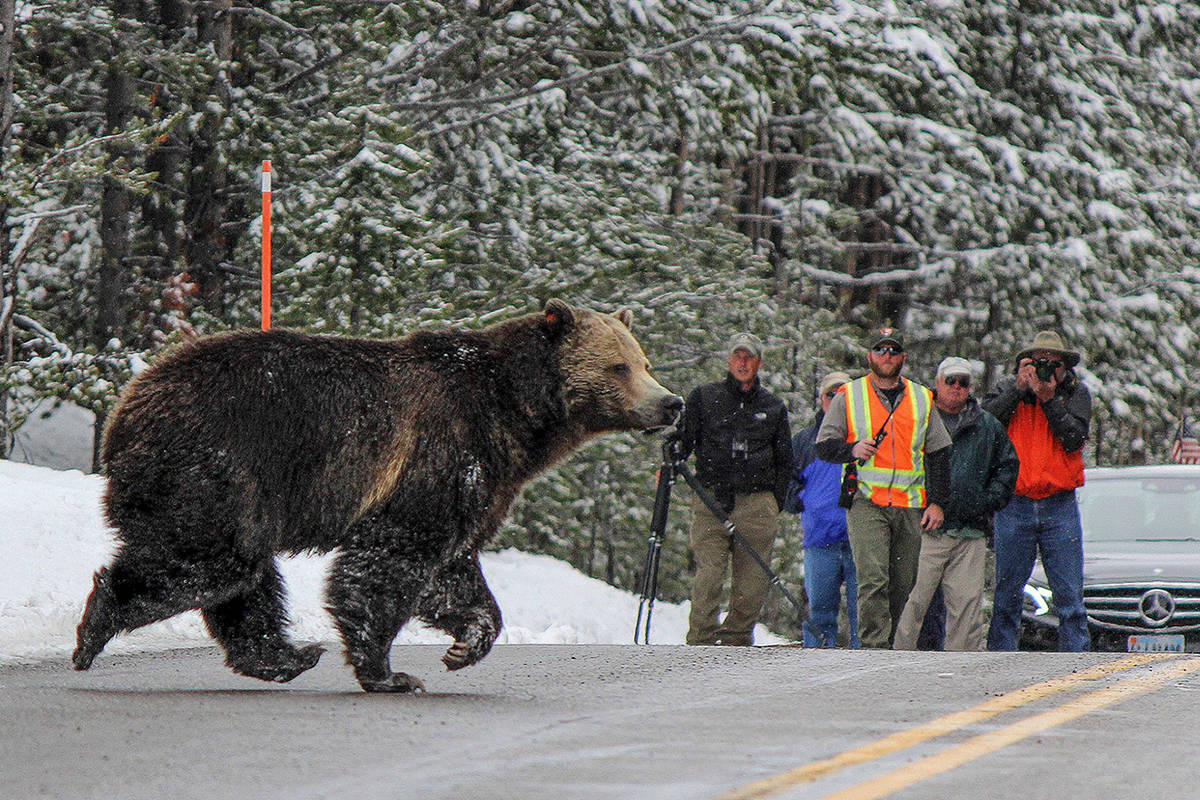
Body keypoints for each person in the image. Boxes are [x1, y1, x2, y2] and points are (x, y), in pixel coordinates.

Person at [815, 327, 951, 649]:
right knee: (873, 578)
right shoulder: (849, 394)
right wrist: (851, 449)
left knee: (902, 584)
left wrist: (938, 503)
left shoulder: (922, 398)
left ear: (903, 357)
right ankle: (872, 647)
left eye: (893, 351)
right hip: (866, 500)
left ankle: (887, 644)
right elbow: (823, 445)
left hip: (909, 502)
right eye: (880, 350)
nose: (886, 356)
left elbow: (941, 452)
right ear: (869, 357)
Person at [893, 357, 1019, 651]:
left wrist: (988, 501)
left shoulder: (987, 425)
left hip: (969, 531)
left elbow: (1007, 466)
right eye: (950, 380)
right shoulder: (916, 418)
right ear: (937, 384)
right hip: (924, 528)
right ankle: (896, 661)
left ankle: (962, 674)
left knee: (966, 609)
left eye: (963, 382)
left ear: (971, 387)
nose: (957, 387)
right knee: (912, 602)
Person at [677, 332, 793, 646]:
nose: (742, 362)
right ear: (728, 361)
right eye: (737, 356)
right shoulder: (704, 397)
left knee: (752, 581)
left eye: (749, 357)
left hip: (757, 502)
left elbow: (786, 460)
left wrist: (773, 501)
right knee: (710, 572)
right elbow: (682, 441)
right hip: (711, 498)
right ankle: (700, 637)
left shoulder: (773, 406)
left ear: (759, 362)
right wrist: (672, 453)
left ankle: (736, 639)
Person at [983, 331, 1092, 652]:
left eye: (1053, 364)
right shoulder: (1009, 390)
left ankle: (1076, 663)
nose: (1046, 370)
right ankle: (1000, 660)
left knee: (1070, 596)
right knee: (1006, 594)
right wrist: (1019, 390)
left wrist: (1048, 400)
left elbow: (1073, 438)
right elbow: (985, 427)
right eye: (1039, 363)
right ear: (1024, 365)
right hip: (1014, 504)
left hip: (1059, 504)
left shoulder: (1075, 394)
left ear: (1064, 368)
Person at [784, 370, 859, 648]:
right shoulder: (805, 441)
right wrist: (803, 500)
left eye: (844, 395)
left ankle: (865, 671)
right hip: (820, 540)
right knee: (819, 615)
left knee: (862, 615)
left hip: (859, 540)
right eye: (831, 394)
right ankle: (814, 668)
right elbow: (786, 480)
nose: (837, 400)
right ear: (821, 399)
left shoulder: (864, 437)